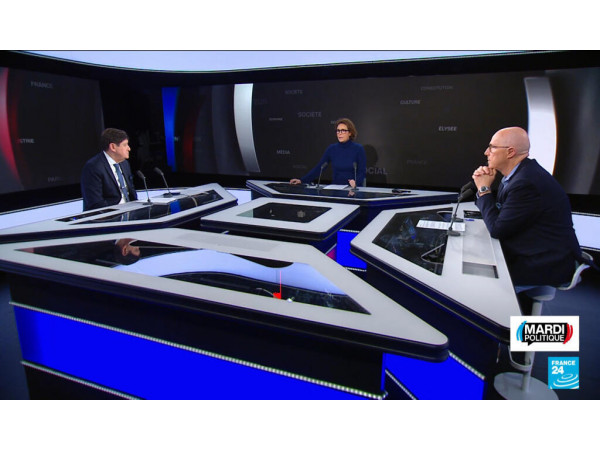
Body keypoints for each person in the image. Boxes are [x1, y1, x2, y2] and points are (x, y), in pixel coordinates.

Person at [471, 126, 581, 289]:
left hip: (547, 262)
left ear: (510, 152)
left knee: (479, 280)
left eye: (492, 147)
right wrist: (484, 190)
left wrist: (484, 189)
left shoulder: (525, 183)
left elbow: (497, 230)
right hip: (533, 249)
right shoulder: (518, 175)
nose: (486, 152)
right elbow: (503, 214)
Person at [290, 118, 366, 188]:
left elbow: (362, 172)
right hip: (335, 189)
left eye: (343, 130)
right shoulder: (332, 149)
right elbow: (319, 168)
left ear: (350, 133)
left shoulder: (358, 149)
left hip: (352, 189)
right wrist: (302, 180)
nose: (340, 133)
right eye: (338, 130)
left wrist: (356, 183)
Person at [81, 128, 138, 211]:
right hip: (108, 215)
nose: (129, 148)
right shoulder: (93, 167)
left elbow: (131, 193)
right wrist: (120, 210)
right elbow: (95, 203)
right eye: (125, 145)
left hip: (129, 212)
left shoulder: (124, 163)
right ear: (113, 147)